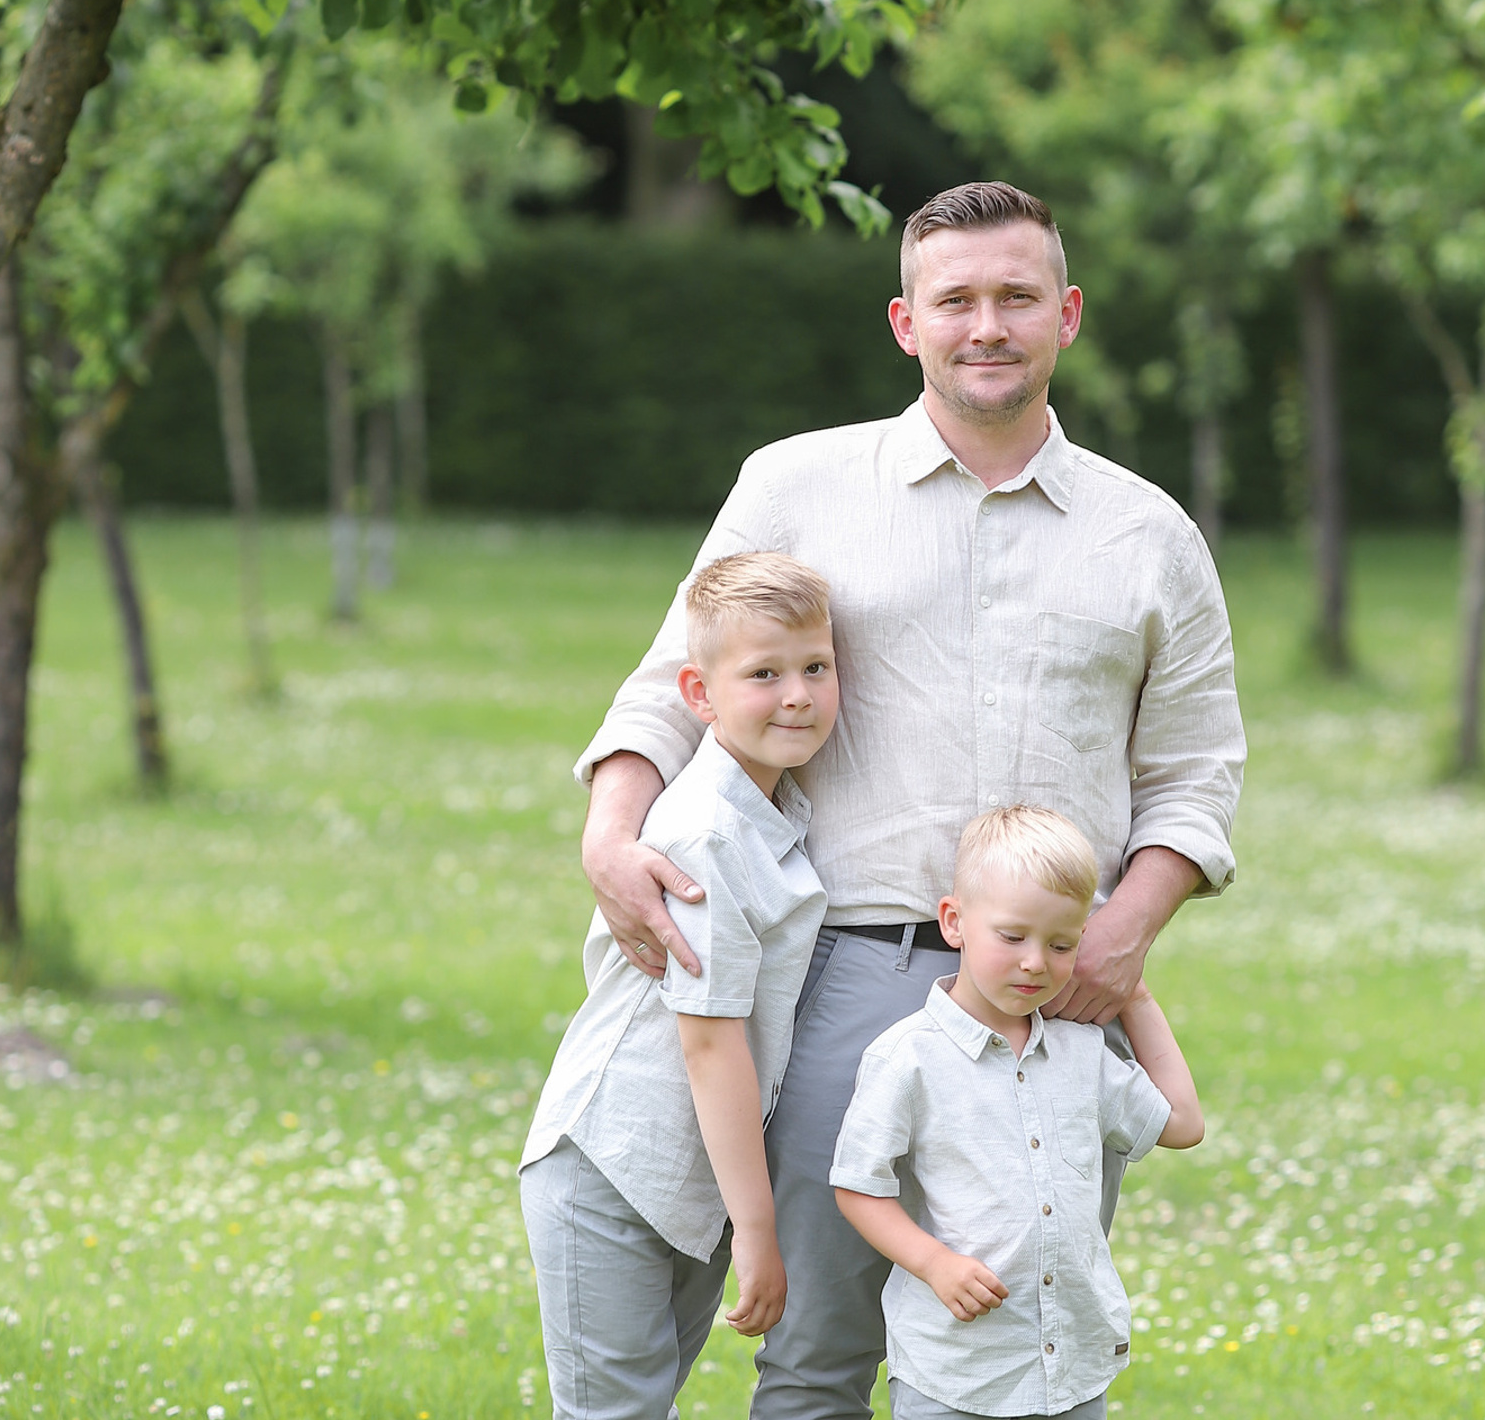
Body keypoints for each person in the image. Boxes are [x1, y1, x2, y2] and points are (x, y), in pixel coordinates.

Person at [576, 180, 1247, 1419]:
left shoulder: (1148, 533)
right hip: (848, 976)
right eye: (957, 300)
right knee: (820, 1353)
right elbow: (671, 687)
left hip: (1057, 994)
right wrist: (611, 832)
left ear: (1068, 315)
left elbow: (1197, 774)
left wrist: (1124, 932)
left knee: (1026, 1355)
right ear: (906, 322)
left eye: (1016, 297)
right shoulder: (796, 487)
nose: (986, 325)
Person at [519, 552, 838, 1420]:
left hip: (690, 1184)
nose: (798, 694)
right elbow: (708, 1041)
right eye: (764, 674)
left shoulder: (776, 806)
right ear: (699, 695)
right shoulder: (705, 833)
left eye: (816, 667)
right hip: (613, 1168)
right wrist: (761, 1230)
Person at [832, 807, 1204, 1420]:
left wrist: (1135, 994)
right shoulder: (908, 1057)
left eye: (1062, 944)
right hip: (955, 1371)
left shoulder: (1083, 1054)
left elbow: (1183, 1124)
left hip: (1072, 1369)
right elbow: (857, 1187)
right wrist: (935, 1263)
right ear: (954, 921)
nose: (1036, 962)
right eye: (1012, 937)